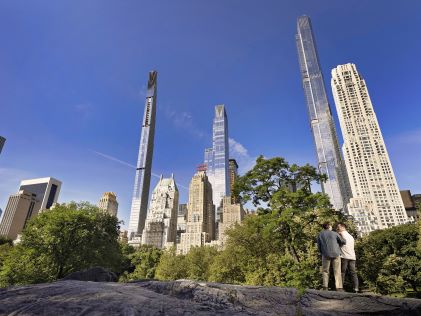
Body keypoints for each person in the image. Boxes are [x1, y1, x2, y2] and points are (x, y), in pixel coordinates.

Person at [317, 222, 346, 291]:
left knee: (325, 271)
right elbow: (343, 241)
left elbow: (319, 246)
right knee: (337, 271)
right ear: (329, 226)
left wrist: (322, 252)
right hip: (336, 253)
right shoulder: (334, 233)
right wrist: (341, 236)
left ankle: (325, 287)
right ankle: (339, 287)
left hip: (325, 254)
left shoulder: (320, 234)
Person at [337, 223, 359, 293]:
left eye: (338, 227)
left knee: (342, 272)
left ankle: (340, 288)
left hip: (344, 256)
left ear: (342, 227)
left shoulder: (341, 235)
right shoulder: (351, 236)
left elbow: (338, 244)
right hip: (352, 257)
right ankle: (356, 288)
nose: (337, 229)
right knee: (353, 273)